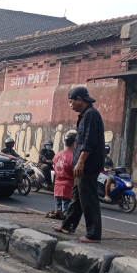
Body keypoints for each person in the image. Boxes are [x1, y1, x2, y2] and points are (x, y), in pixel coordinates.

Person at [53, 87, 105, 243]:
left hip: (88, 165)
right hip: (80, 165)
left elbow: (89, 141)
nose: (70, 105)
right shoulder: (84, 115)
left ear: (79, 99)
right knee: (76, 197)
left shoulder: (91, 115)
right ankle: (68, 225)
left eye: (71, 101)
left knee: (89, 199)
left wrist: (81, 161)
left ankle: (93, 234)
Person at [49, 133, 76, 219]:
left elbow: (54, 167)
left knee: (58, 213)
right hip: (68, 187)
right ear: (74, 143)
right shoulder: (73, 157)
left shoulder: (57, 155)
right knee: (65, 215)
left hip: (57, 186)